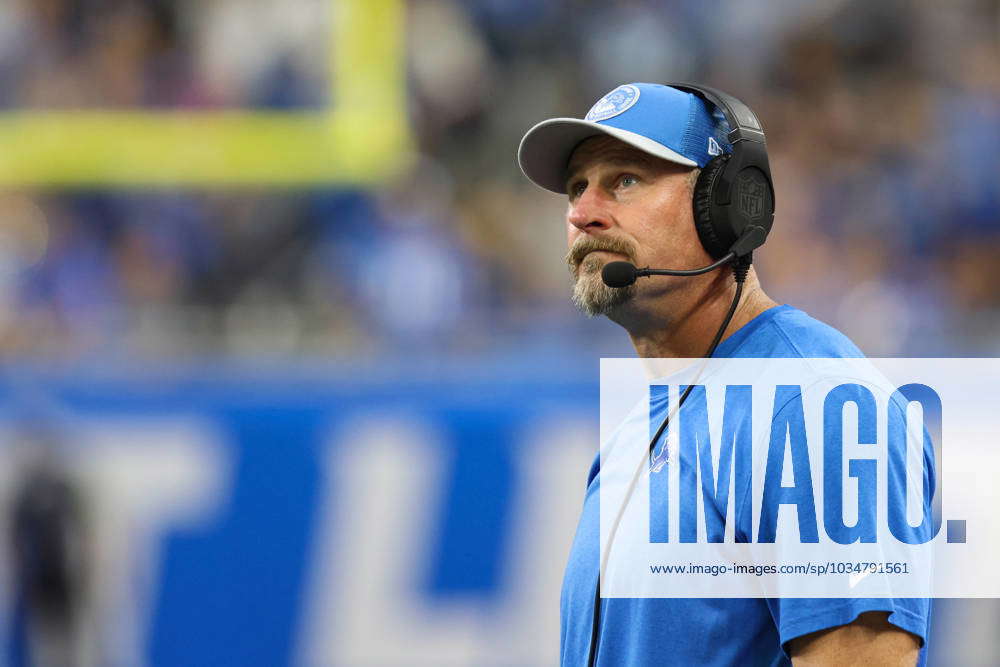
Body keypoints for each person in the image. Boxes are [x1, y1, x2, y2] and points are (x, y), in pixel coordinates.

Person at [517, 83, 931, 666]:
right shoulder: (634, 434)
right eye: (576, 187)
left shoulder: (817, 406)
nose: (583, 213)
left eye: (625, 181)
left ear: (731, 206)